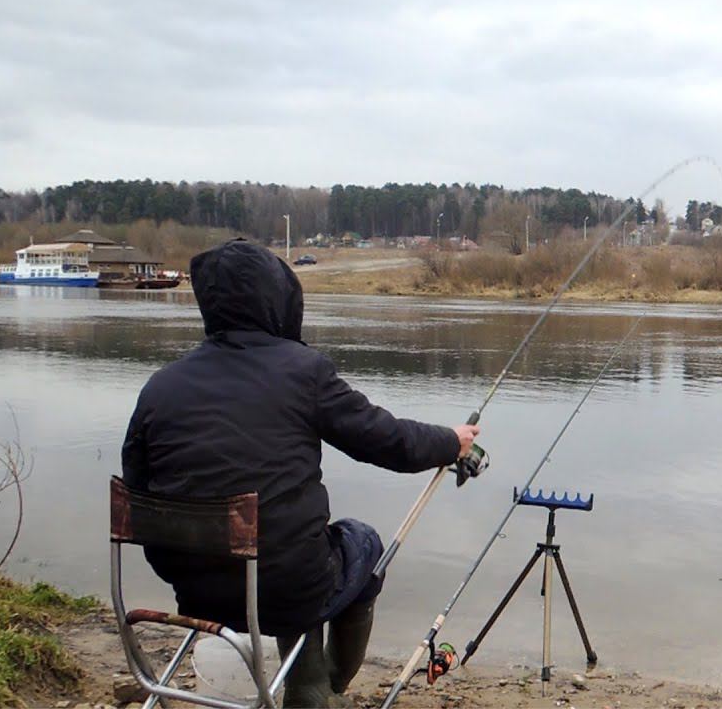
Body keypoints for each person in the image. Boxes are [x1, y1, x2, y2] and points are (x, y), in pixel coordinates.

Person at [122, 239, 480, 707]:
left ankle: (309, 684)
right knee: (360, 545)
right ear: (277, 299)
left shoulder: (160, 386)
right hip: (282, 586)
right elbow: (387, 440)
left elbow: (137, 485)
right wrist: (452, 441)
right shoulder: (304, 371)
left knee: (292, 549)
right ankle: (321, 689)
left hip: (192, 587)